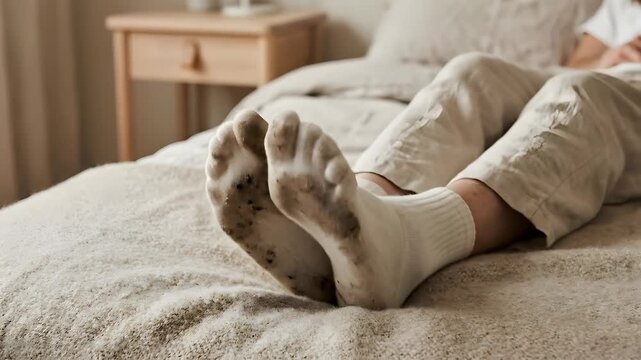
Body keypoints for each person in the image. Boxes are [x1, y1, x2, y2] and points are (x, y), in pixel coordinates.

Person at [206, 0, 641, 309]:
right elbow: (580, 60)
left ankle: (410, 243)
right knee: (474, 71)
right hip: (598, 76)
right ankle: (362, 209)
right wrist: (609, 55)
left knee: (579, 95)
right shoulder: (620, 7)